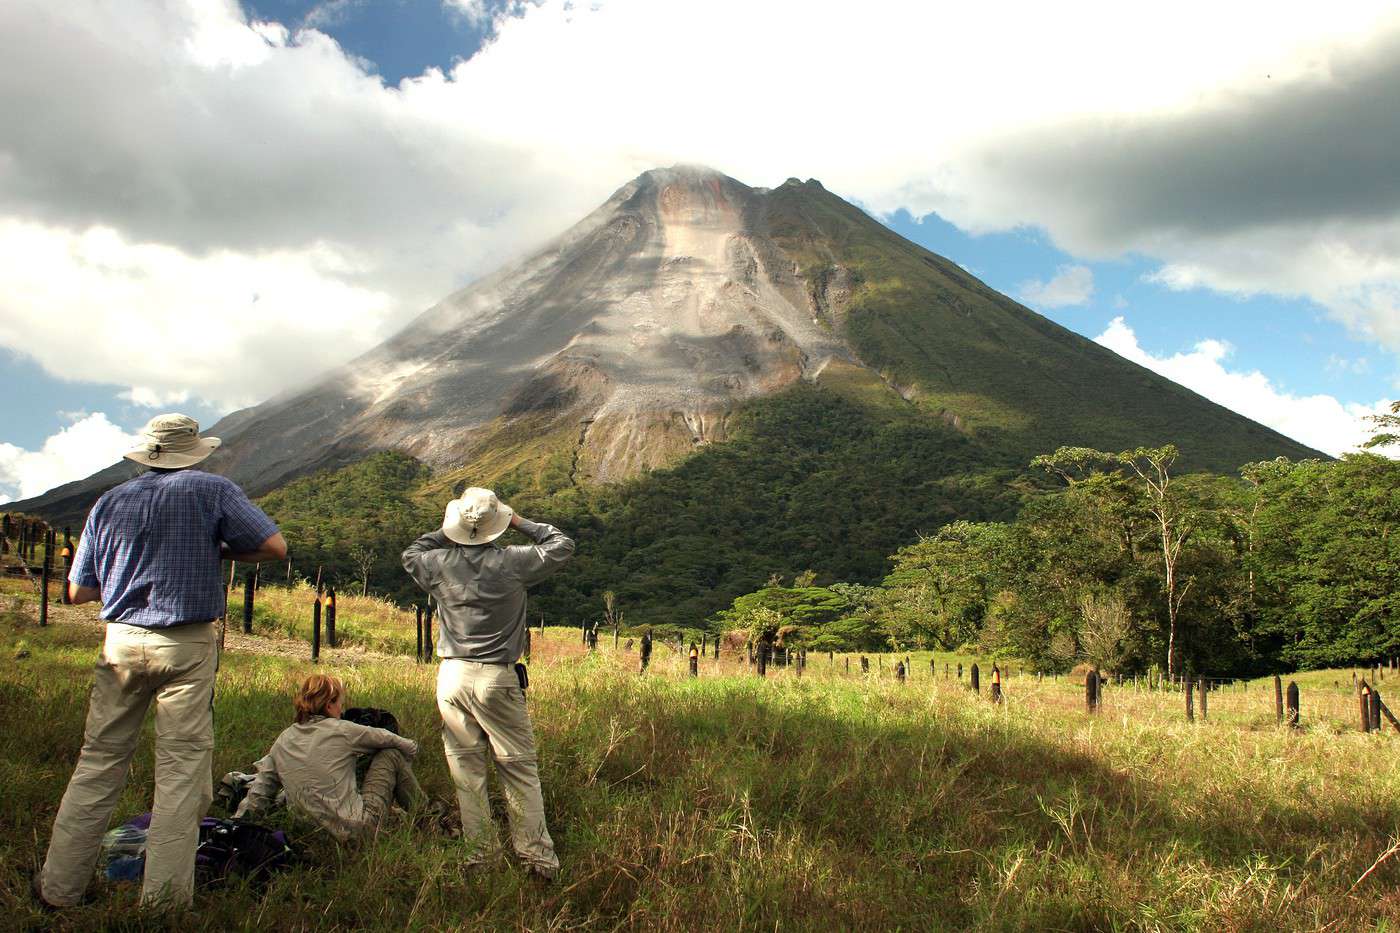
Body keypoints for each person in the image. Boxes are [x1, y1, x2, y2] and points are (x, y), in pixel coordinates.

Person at [37, 413, 286, 911]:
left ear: (148, 453)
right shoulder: (211, 491)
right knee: (181, 771)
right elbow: (275, 546)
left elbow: (78, 591)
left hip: (121, 643)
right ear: (194, 450)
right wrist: (215, 548)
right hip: (186, 644)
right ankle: (163, 904)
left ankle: (59, 889)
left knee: (98, 762)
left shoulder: (109, 501)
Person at [402, 487, 574, 879]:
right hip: (497, 675)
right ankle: (536, 860)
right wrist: (518, 522)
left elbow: (411, 553)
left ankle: (481, 858)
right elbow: (561, 544)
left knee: (467, 771)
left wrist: (451, 531)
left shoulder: (438, 563)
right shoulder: (514, 562)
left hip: (452, 675)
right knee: (517, 768)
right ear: (500, 525)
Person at [233, 673, 427, 840]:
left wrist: (237, 824)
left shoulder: (284, 739)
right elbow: (395, 741)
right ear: (329, 705)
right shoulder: (343, 730)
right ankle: (428, 816)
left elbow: (260, 791)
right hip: (355, 830)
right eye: (340, 704)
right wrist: (410, 756)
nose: (341, 710)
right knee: (391, 754)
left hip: (307, 834)